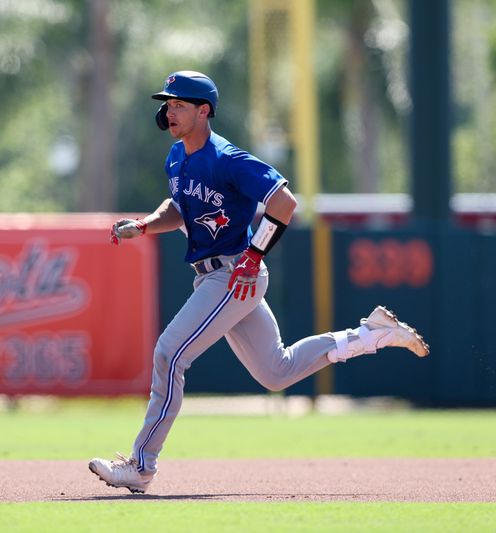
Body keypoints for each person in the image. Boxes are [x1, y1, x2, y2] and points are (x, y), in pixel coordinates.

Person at [88, 71, 429, 494]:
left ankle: (141, 466)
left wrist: (254, 255)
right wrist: (144, 226)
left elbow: (284, 203)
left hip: (234, 273)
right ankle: (371, 335)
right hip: (216, 276)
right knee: (277, 371)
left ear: (204, 110)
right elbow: (178, 207)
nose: (169, 111)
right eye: (168, 104)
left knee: (169, 354)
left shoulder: (228, 158)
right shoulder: (177, 156)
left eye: (179, 104)